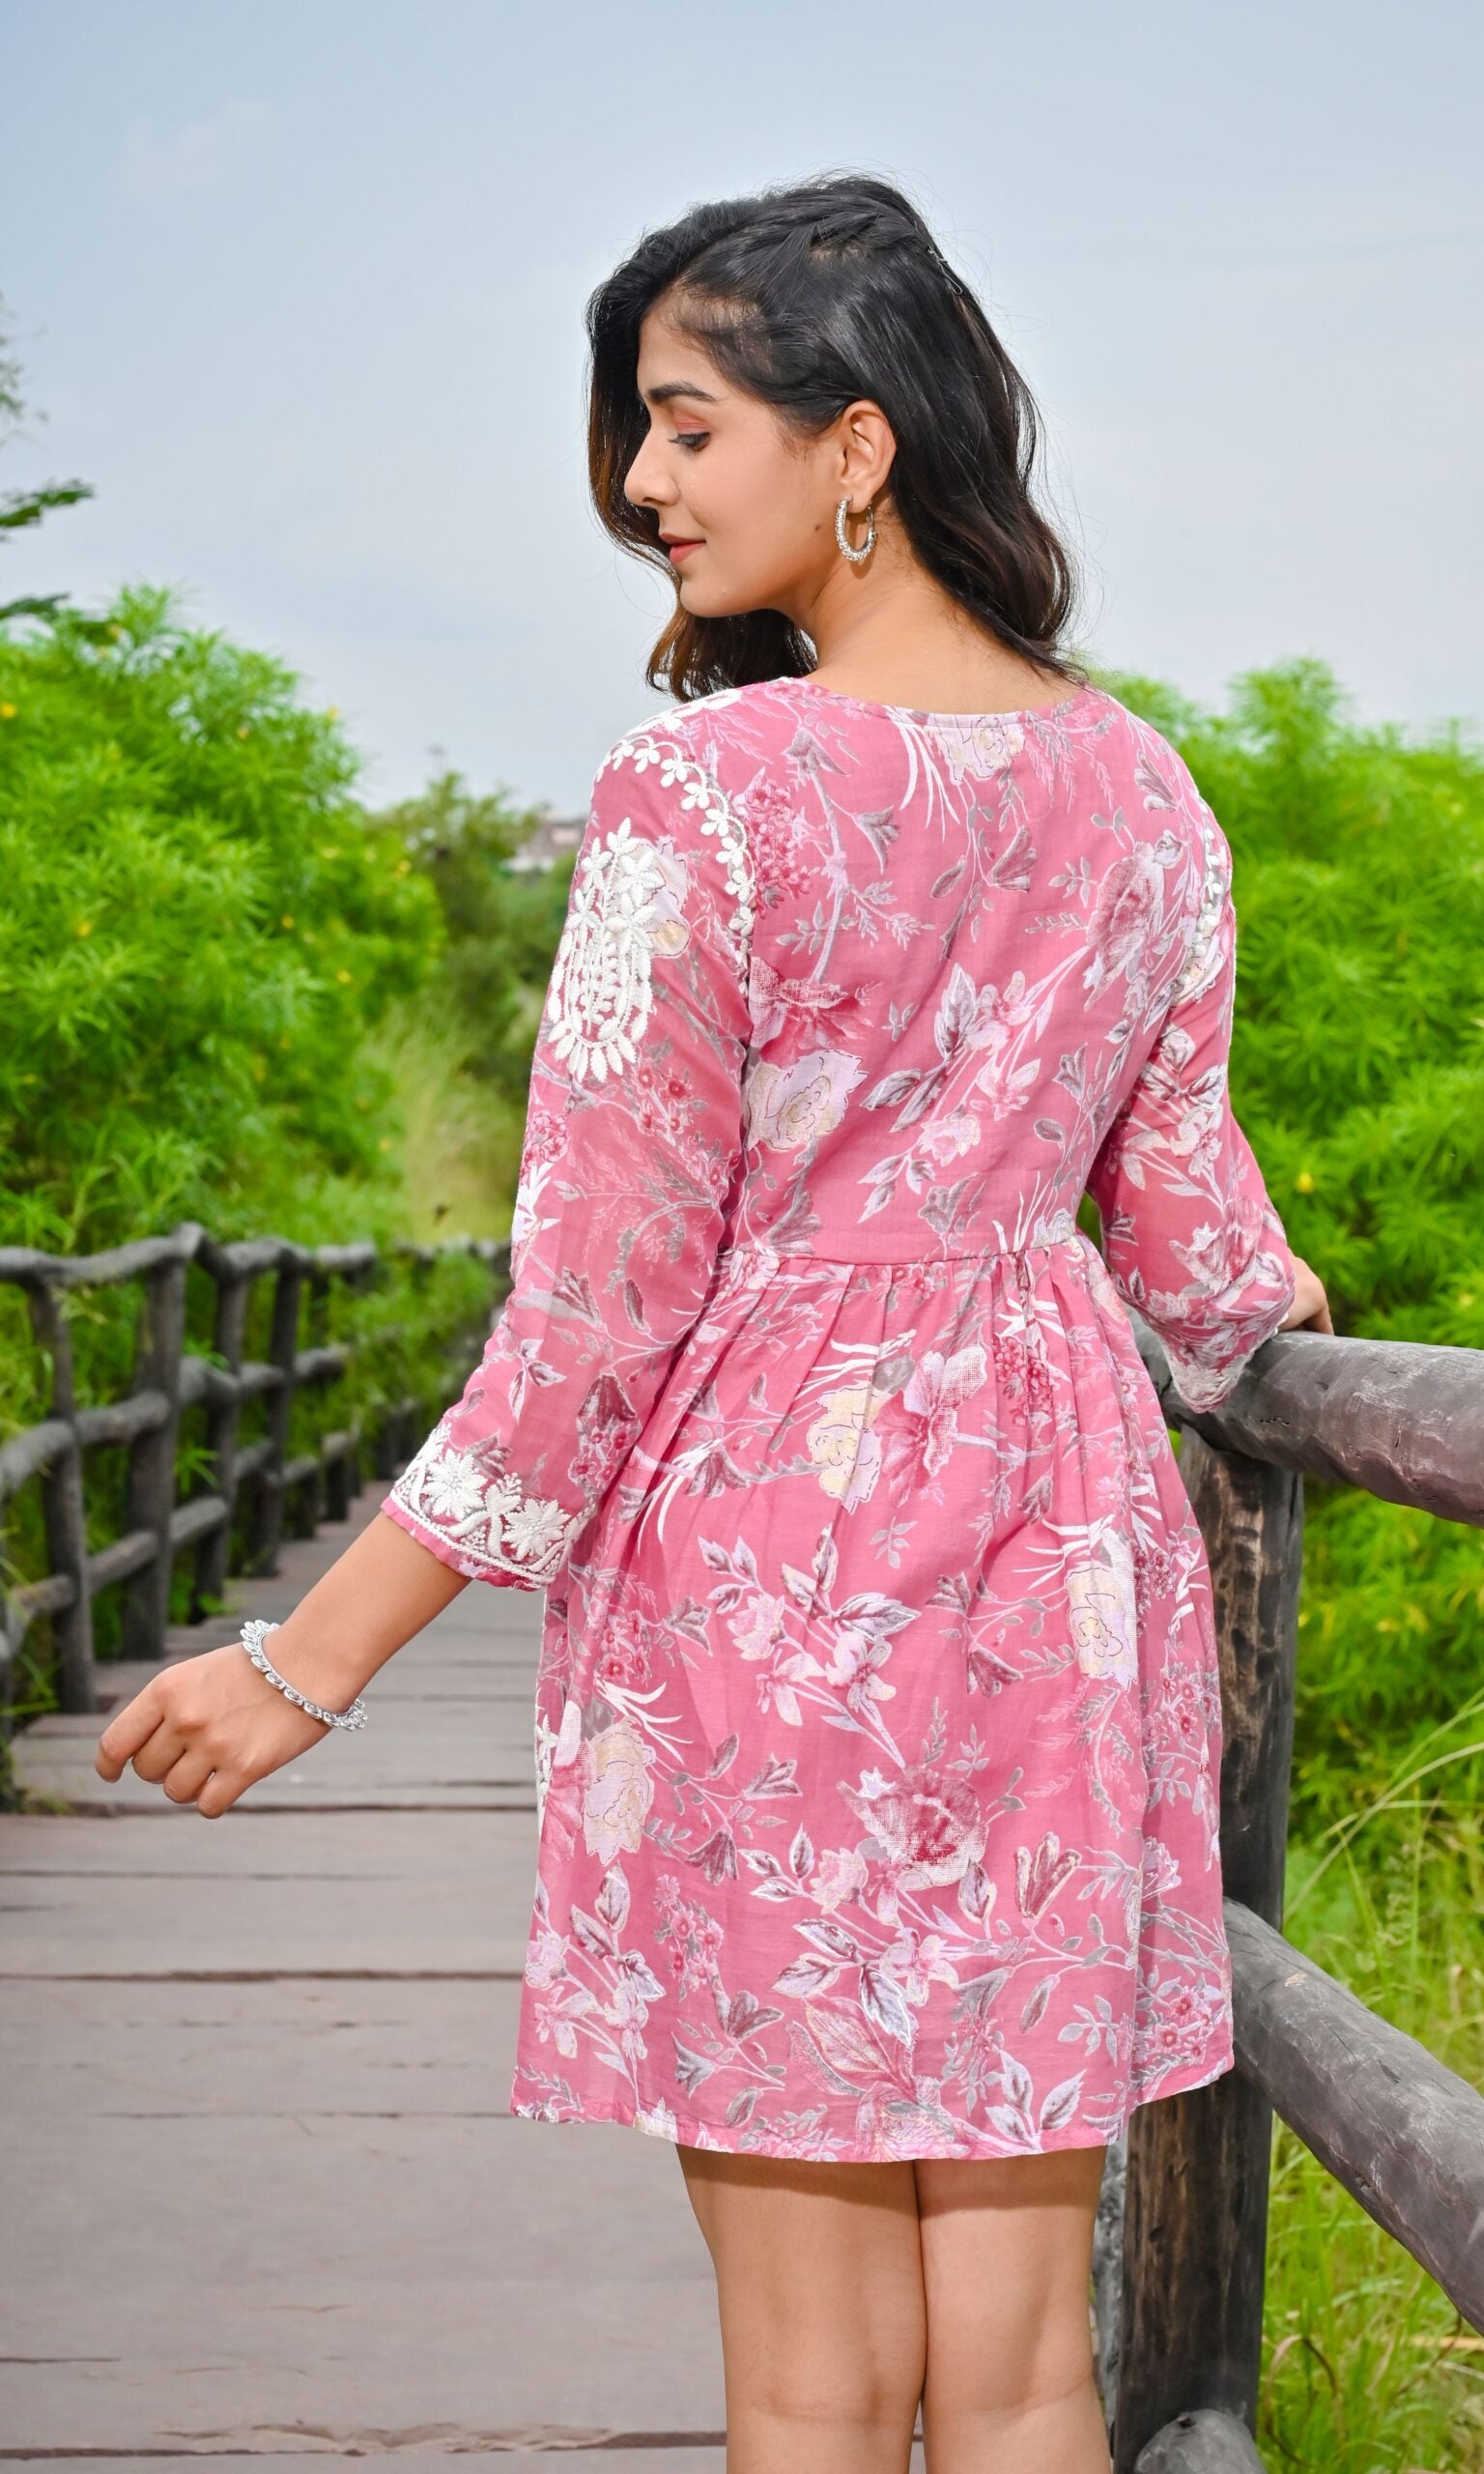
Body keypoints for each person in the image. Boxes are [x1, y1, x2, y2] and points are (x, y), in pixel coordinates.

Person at [96, 175, 1332, 2474]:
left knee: (809, 2381)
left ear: (853, 447)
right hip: (1059, 1565)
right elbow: (1199, 1251)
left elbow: (587, 1315)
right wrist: (1309, 1343)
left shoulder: (705, 792)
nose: (641, 486)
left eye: (681, 428)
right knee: (1029, 2364)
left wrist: (307, 1657)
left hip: (776, 1579)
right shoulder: (1145, 790)